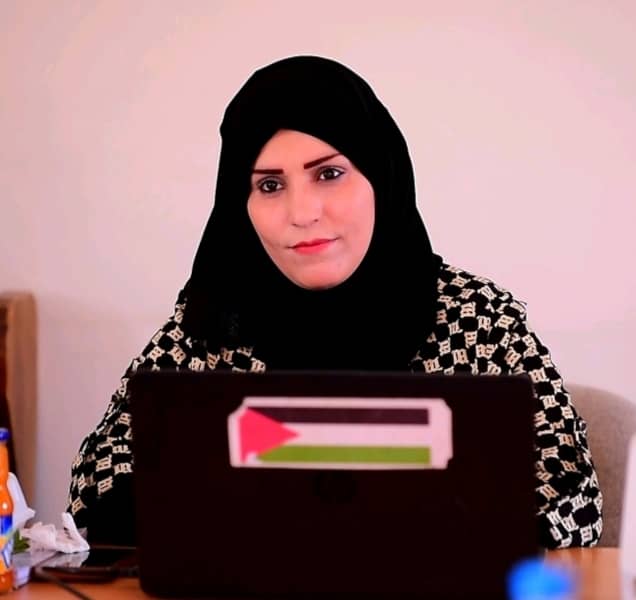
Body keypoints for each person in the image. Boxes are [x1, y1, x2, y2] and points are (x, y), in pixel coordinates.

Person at [67, 55, 603, 548]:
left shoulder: (477, 318)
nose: (302, 213)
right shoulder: (212, 322)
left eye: (329, 174)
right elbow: (97, 487)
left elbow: (570, 496)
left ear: (381, 177)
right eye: (269, 185)